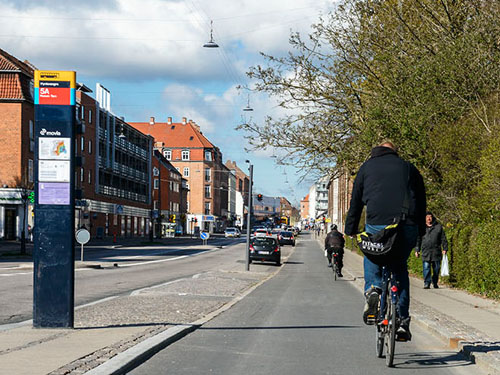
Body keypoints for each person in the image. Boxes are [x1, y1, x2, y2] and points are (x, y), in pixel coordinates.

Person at [344, 141, 426, 341]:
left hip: (377, 225)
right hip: (405, 226)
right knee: (399, 268)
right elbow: (422, 200)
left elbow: (355, 201)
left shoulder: (366, 168)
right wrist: (420, 232)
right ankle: (402, 322)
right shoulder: (408, 168)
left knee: (372, 255)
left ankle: (373, 288)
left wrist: (351, 229)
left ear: (376, 152)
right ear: (395, 152)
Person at [415, 212, 448, 289]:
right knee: (426, 268)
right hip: (425, 251)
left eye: (430, 217)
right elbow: (418, 240)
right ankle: (427, 283)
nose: (429, 219)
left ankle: (435, 281)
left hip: (436, 252)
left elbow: (443, 238)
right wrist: (417, 250)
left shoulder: (438, 227)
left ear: (432, 218)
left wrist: (445, 248)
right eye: (427, 217)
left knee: (436, 269)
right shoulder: (422, 228)